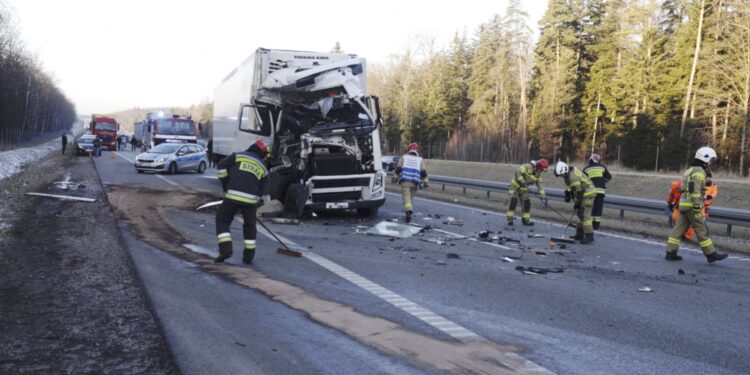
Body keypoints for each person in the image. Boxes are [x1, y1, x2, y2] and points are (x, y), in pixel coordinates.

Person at [665, 147, 728, 262]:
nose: (710, 163)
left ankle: (670, 252)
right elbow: (694, 188)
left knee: (678, 230)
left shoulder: (690, 170)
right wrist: (696, 205)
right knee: (701, 230)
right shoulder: (699, 171)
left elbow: (687, 187)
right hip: (692, 206)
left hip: (684, 204)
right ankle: (711, 254)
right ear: (705, 158)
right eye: (710, 160)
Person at [214, 139, 270, 264]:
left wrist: (225, 183)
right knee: (250, 226)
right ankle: (248, 257)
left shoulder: (238, 156)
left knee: (222, 220)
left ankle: (225, 250)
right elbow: (263, 188)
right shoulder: (263, 167)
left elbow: (221, 166)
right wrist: (257, 200)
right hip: (250, 200)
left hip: (233, 195)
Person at [554, 161, 596, 244]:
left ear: (564, 171)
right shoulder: (570, 171)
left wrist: (577, 203)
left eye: (561, 175)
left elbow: (579, 192)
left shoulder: (572, 177)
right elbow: (573, 187)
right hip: (584, 192)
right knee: (580, 214)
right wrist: (568, 193)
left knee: (585, 215)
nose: (562, 176)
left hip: (588, 193)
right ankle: (579, 234)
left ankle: (589, 236)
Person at [506, 159, 549, 226]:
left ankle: (526, 220)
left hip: (524, 189)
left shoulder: (538, 175)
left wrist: (543, 196)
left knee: (527, 204)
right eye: (542, 170)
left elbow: (540, 186)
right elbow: (518, 172)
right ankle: (510, 220)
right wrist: (522, 182)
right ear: (539, 167)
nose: (542, 171)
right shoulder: (527, 166)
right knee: (513, 202)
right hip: (514, 187)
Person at [395, 143, 428, 223]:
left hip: (405, 181)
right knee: (411, 197)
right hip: (415, 182)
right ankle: (410, 210)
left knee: (406, 197)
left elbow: (398, 169)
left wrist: (395, 177)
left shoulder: (404, 157)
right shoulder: (419, 159)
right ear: (417, 150)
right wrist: (426, 181)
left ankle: (408, 211)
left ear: (409, 149)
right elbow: (423, 172)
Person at [583, 153, 612, 230]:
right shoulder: (603, 167)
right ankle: (596, 226)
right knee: (598, 209)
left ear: (591, 160)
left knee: (591, 209)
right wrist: (603, 181)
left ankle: (590, 225)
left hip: (591, 192)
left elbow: (583, 180)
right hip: (601, 192)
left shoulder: (586, 168)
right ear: (599, 160)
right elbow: (609, 177)